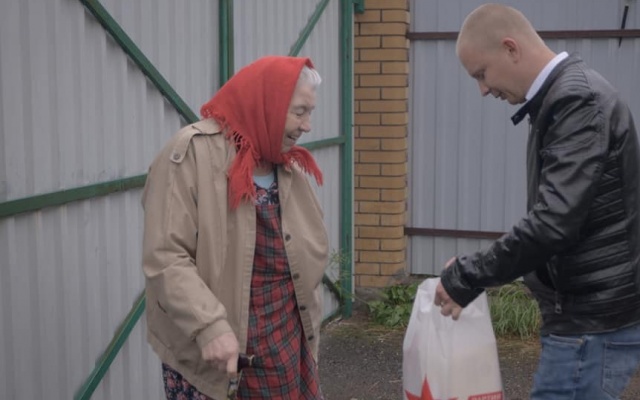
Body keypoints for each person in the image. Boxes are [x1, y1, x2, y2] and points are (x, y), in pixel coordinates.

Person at [433, 3, 640, 399]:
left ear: (510, 48)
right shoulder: (563, 98)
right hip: (586, 319)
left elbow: (553, 222)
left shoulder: (576, 101)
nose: (482, 90)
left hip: (589, 323)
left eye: (481, 73)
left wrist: (467, 275)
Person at [141, 56, 329, 399]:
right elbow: (166, 257)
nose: (307, 126)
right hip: (217, 354)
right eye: (300, 112)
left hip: (285, 342)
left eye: (310, 113)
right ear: (267, 103)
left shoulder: (286, 166)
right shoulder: (191, 155)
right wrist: (209, 326)